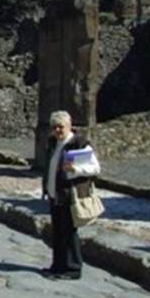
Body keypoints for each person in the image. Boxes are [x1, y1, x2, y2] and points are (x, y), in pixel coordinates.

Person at [40, 110, 100, 280]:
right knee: (57, 233)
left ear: (69, 126)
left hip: (69, 195)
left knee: (69, 233)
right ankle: (57, 266)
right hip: (55, 195)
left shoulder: (79, 144)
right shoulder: (53, 142)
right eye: (54, 127)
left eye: (61, 127)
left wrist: (76, 169)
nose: (58, 130)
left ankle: (73, 268)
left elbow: (96, 168)